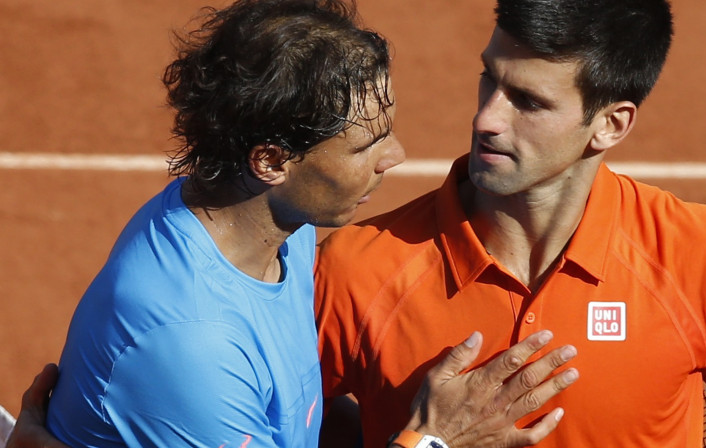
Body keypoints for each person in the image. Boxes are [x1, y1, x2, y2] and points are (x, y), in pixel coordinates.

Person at [7, 1, 579, 447]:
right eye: (365, 146)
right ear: (272, 161)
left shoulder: (276, 224)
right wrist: (436, 439)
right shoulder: (192, 344)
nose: (395, 157)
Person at [314, 0, 706, 447]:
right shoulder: (353, 274)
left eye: (528, 101)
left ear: (610, 124)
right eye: (489, 78)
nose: (486, 119)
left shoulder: (698, 255)